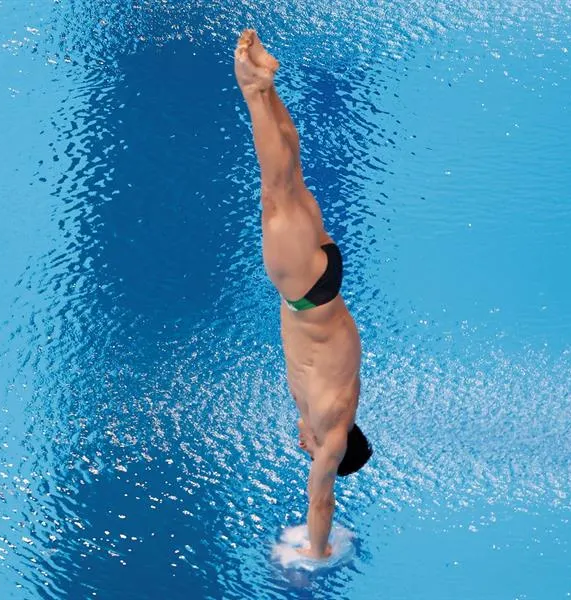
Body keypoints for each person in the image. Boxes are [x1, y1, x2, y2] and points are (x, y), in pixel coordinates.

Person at [234, 29, 373, 560]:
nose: (305, 449)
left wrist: (309, 429)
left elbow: (308, 412)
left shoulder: (333, 408)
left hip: (325, 280)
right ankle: (253, 87)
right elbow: (322, 502)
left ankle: (267, 86)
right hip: (305, 292)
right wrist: (316, 553)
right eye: (313, 453)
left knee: (289, 181)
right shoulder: (332, 429)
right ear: (333, 452)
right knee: (275, 187)